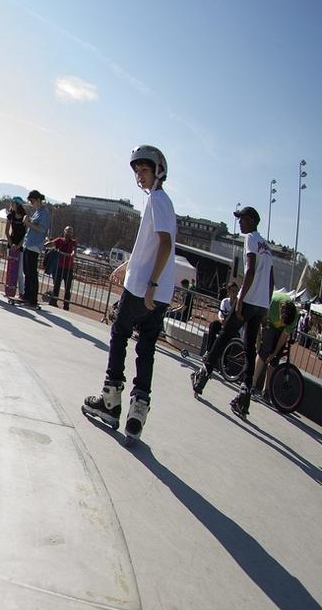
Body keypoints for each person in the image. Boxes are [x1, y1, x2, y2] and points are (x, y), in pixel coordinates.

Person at [82, 145, 176, 442]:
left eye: (144, 170)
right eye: (137, 171)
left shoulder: (157, 200)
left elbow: (165, 244)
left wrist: (150, 284)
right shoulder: (163, 202)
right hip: (157, 294)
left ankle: (110, 400)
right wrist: (128, 264)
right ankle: (138, 412)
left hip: (143, 290)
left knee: (119, 335)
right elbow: (150, 246)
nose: (139, 176)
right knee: (146, 347)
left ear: (158, 171)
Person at [192, 206, 274, 416]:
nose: (240, 222)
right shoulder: (267, 246)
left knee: (225, 334)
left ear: (253, 220)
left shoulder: (251, 240)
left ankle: (203, 375)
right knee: (249, 348)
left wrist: (239, 300)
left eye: (243, 219)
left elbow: (251, 269)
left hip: (249, 301)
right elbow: (271, 280)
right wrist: (265, 307)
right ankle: (244, 396)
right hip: (260, 304)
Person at [252, 291, 299, 395]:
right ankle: (252, 384)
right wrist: (259, 340)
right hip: (269, 321)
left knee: (275, 358)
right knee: (264, 351)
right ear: (281, 312)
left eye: (284, 323)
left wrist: (274, 353)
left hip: (279, 328)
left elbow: (283, 337)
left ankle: (266, 390)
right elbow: (261, 321)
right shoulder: (272, 304)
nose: (282, 323)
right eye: (282, 320)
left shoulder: (295, 316)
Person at [20, 190, 51, 307]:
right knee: (26, 271)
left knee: (32, 272)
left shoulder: (45, 212)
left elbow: (42, 229)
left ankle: (32, 298)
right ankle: (27, 296)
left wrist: (29, 224)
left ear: (38, 199)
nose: (31, 203)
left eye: (32, 201)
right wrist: (28, 221)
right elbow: (33, 224)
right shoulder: (37, 212)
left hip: (35, 245)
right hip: (28, 243)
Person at [44, 226, 77, 309]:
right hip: (59, 266)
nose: (68, 233)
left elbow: (74, 250)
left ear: (72, 233)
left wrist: (72, 254)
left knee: (67, 288)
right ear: (64, 232)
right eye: (67, 231)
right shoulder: (59, 240)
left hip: (69, 268)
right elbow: (51, 244)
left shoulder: (73, 242)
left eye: (70, 231)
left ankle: (66, 306)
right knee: (57, 285)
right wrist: (46, 244)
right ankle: (53, 301)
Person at [202, 282, 239, 355]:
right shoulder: (225, 301)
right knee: (214, 325)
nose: (235, 294)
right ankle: (208, 351)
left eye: (237, 291)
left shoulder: (238, 303)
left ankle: (225, 360)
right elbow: (220, 313)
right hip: (224, 324)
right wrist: (221, 319)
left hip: (232, 327)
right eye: (233, 291)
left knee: (230, 337)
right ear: (229, 292)